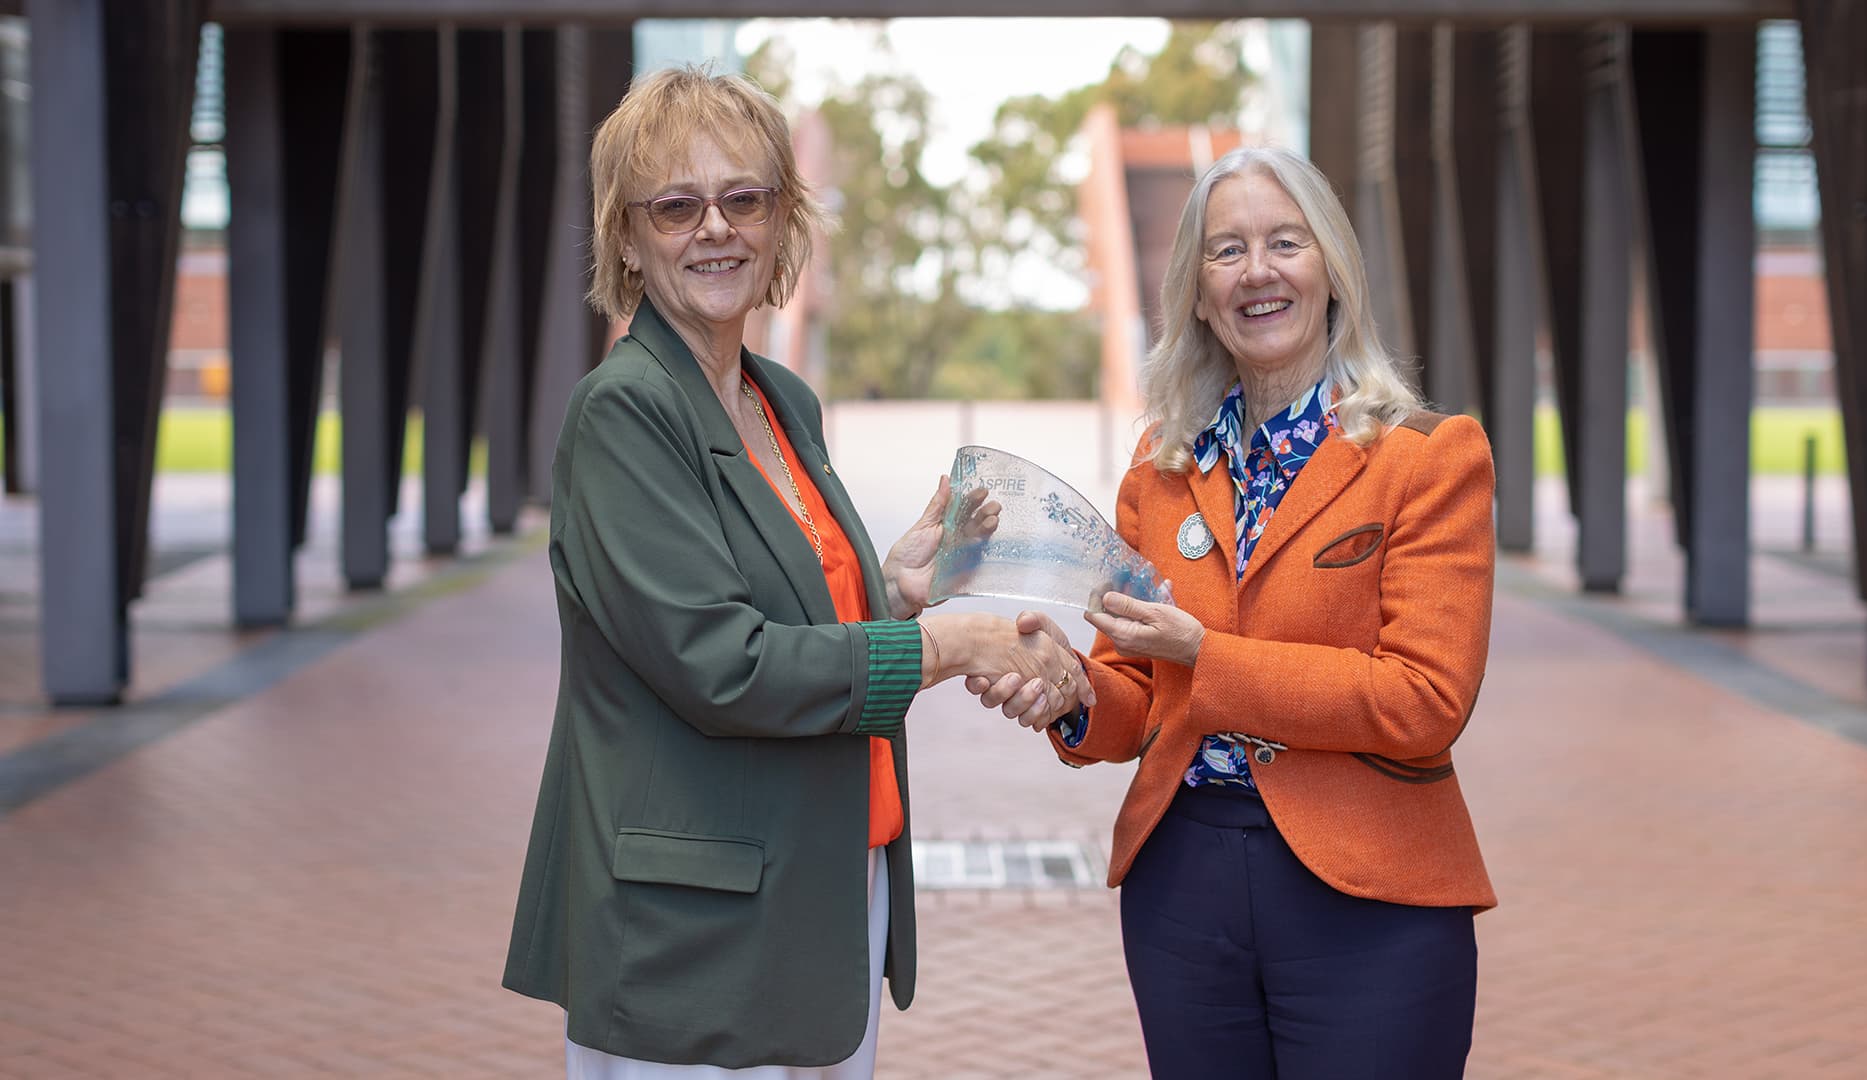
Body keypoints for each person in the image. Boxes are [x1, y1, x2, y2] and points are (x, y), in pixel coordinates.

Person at [502, 66, 1092, 1079]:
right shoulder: (624, 415)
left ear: (784, 220)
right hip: (695, 922)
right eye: (677, 205)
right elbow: (721, 663)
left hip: (823, 873)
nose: (716, 228)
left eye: (746, 198)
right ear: (628, 238)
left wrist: (896, 588)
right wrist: (946, 643)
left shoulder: (778, 399)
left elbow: (780, 604)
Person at [971, 145, 1497, 1078]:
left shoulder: (1428, 458)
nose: (1258, 271)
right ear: (1199, 293)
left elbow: (1423, 701)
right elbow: (1142, 690)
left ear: (1331, 270)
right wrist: (1072, 691)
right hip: (1185, 887)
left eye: (1284, 242)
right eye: (1227, 251)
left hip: (1370, 893)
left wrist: (1206, 657)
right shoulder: (1162, 466)